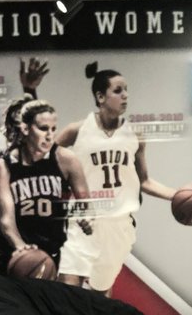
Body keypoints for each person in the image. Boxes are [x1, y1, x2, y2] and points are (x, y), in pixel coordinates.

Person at [56, 63, 184, 291]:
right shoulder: (77, 130)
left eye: (126, 90)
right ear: (100, 96)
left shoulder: (135, 134)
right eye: (118, 90)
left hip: (119, 223)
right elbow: (45, 157)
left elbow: (144, 180)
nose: (125, 95)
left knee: (100, 291)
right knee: (69, 289)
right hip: (83, 219)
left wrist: (177, 195)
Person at [0, 96, 74, 276]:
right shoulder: (7, 162)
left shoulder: (58, 158)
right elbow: (7, 221)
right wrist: (21, 248)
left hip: (46, 247)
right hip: (5, 247)